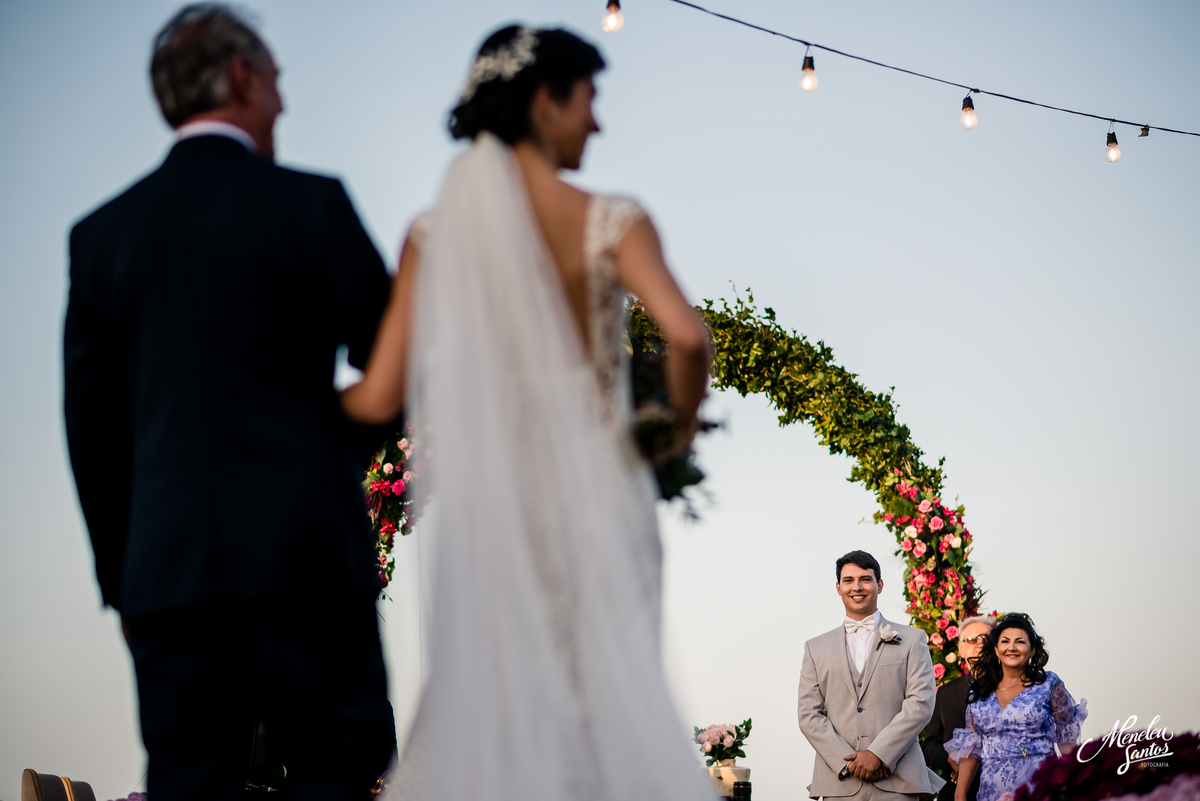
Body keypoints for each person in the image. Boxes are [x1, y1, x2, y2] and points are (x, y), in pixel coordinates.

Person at [339, 24, 713, 801]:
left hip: (491, 517)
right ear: (545, 102)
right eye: (589, 100)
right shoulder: (612, 219)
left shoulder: (432, 235)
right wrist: (666, 434)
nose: (599, 122)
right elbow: (686, 333)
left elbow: (376, 397)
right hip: (601, 509)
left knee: (495, 702)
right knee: (608, 703)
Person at [63, 5, 397, 799]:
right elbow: (396, 373)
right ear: (242, 76)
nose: (283, 98)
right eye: (277, 77)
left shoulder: (101, 238)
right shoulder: (312, 206)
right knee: (337, 775)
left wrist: (126, 584)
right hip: (310, 563)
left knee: (191, 784)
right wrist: (324, 456)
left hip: (168, 585)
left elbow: (92, 431)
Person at [797, 550, 945, 800]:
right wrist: (846, 762)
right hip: (839, 781)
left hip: (898, 779)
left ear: (880, 584)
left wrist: (879, 754)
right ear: (838, 587)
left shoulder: (911, 639)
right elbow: (808, 714)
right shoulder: (815, 648)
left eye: (865, 579)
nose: (857, 586)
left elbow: (920, 704)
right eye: (848, 580)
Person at [949, 613, 1087, 801]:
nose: (1012, 648)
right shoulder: (980, 693)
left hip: (1040, 787)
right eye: (1005, 641)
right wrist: (960, 795)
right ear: (996, 650)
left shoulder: (1049, 684)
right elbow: (973, 750)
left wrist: (1079, 782)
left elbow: (1067, 739)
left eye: (1020, 642)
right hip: (992, 791)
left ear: (1032, 650)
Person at [922, 615, 996, 801]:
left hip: (999, 786)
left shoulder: (1006, 688)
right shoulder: (946, 692)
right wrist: (951, 760)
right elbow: (930, 744)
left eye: (985, 640)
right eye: (971, 640)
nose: (979, 646)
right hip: (955, 790)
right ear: (961, 649)